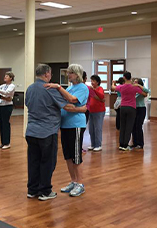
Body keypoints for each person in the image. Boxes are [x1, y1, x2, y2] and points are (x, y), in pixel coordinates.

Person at [25, 64, 86, 201]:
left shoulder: (29, 88)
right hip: (46, 131)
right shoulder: (49, 88)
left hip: (31, 131)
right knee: (47, 162)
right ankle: (45, 191)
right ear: (47, 74)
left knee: (33, 161)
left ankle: (32, 189)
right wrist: (81, 110)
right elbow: (68, 105)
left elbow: (28, 104)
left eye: (70, 73)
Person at [45, 64, 89, 197]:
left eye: (70, 73)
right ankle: (73, 181)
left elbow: (72, 100)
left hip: (76, 125)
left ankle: (80, 184)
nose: (68, 75)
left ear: (77, 74)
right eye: (68, 72)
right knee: (68, 156)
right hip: (65, 125)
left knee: (76, 156)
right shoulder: (70, 88)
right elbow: (65, 104)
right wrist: (78, 108)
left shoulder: (82, 88)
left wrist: (58, 87)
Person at [111, 71, 144, 151]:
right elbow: (143, 92)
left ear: (124, 77)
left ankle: (121, 144)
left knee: (123, 126)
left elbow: (113, 88)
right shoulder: (134, 87)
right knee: (129, 127)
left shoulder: (122, 86)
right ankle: (125, 145)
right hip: (131, 108)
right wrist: (138, 85)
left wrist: (113, 83)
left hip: (123, 107)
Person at [87, 74, 105, 152]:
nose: (92, 82)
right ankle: (93, 144)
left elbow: (101, 96)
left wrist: (93, 90)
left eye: (93, 81)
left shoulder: (100, 88)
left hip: (99, 111)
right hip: (91, 111)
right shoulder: (90, 89)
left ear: (97, 82)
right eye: (91, 81)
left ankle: (98, 145)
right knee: (91, 128)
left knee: (98, 128)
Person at [131, 78, 149, 149]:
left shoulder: (142, 90)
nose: (134, 83)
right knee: (133, 126)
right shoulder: (133, 90)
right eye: (134, 82)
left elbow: (147, 91)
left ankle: (140, 143)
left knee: (138, 126)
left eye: (136, 82)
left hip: (141, 109)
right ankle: (135, 143)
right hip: (134, 108)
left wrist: (138, 85)